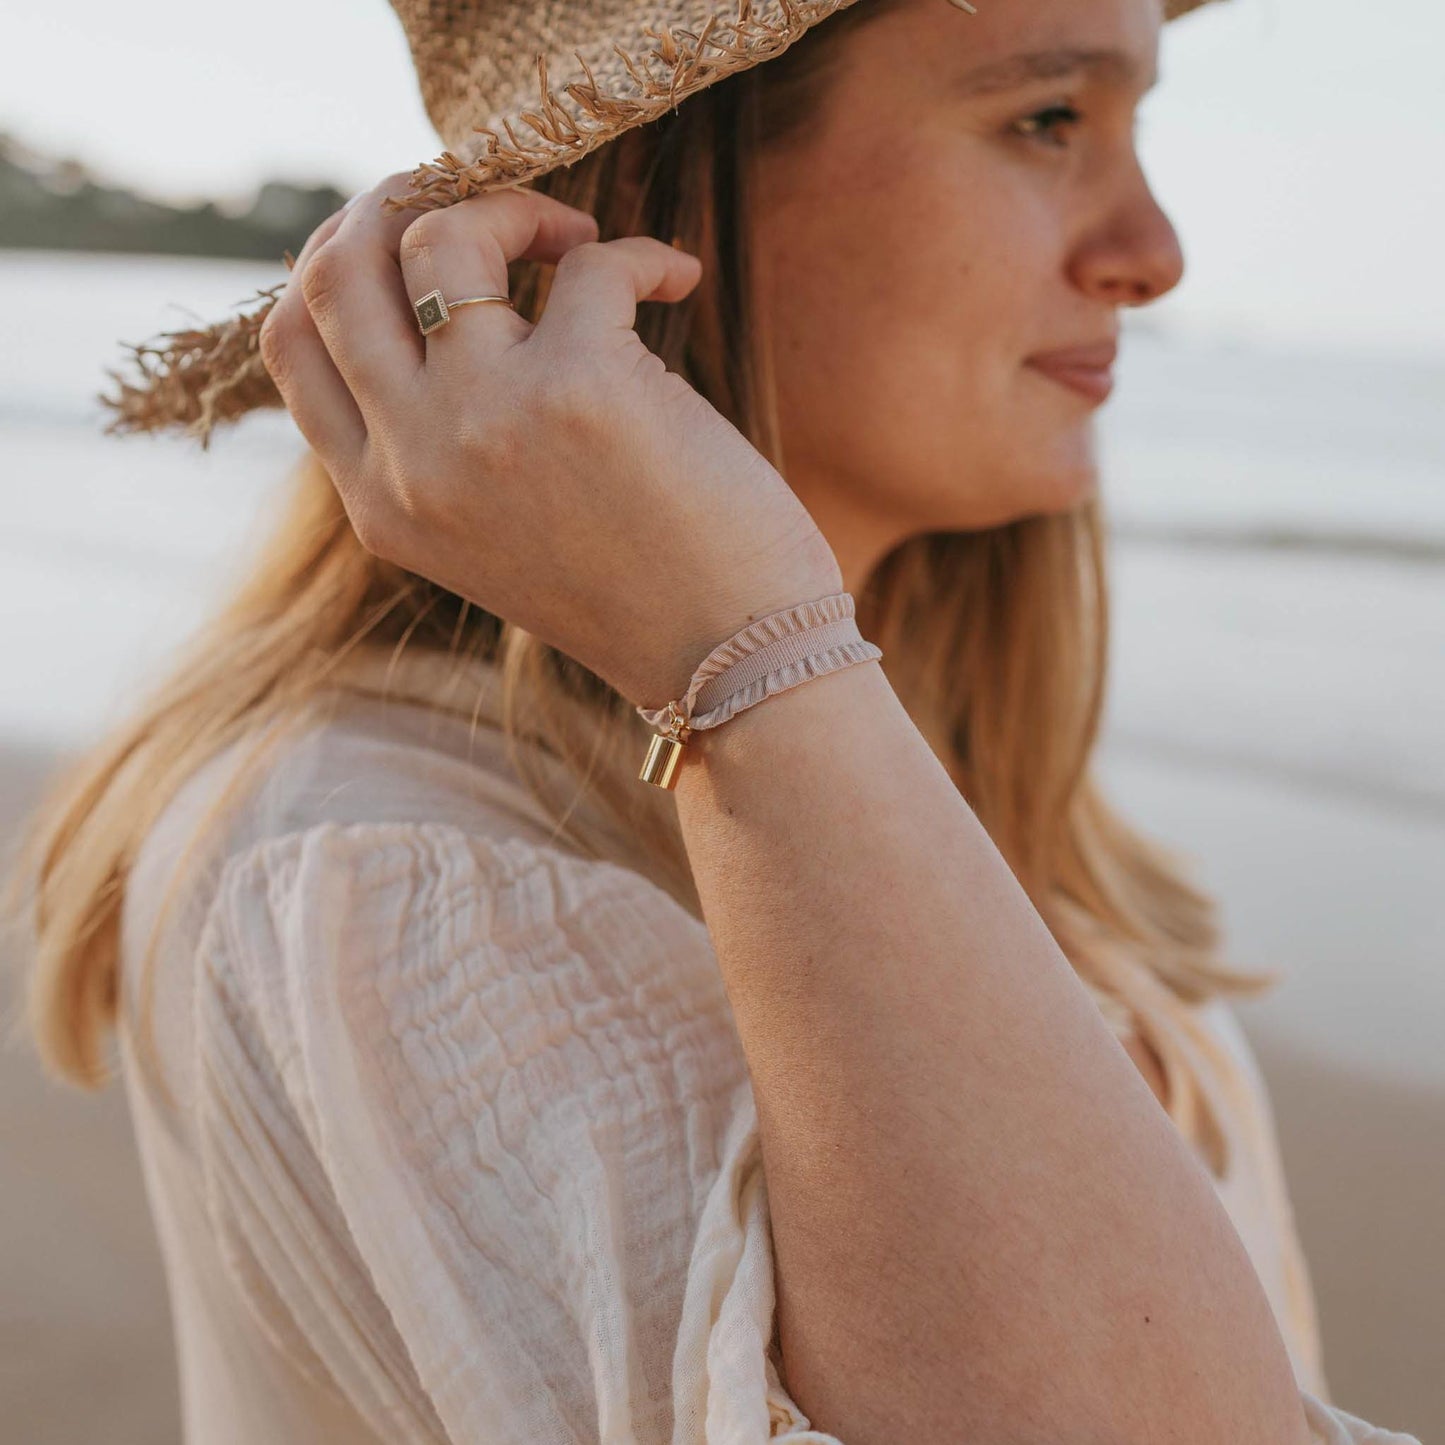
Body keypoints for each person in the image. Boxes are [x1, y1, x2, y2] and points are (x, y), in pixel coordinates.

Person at [2, 0, 1425, 1439]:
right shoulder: (397, 868)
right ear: (663, 193)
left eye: (1134, 124)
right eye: (1043, 118)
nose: (1153, 252)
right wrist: (743, 649)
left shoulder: (896, 760)